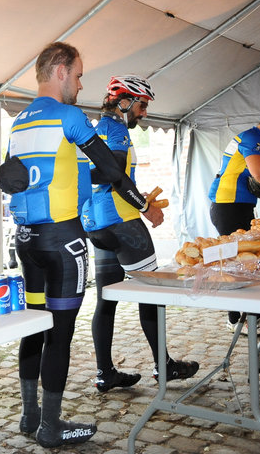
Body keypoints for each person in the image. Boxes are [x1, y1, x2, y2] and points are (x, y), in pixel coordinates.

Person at [0, 42, 160, 448]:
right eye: (79, 74)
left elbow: (9, 177)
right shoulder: (70, 117)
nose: (81, 83)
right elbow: (110, 169)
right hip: (62, 241)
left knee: (35, 327)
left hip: (25, 240)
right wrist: (144, 206)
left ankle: (29, 416)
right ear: (59, 71)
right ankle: (51, 427)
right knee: (60, 335)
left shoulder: (19, 122)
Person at [81, 75, 199, 393]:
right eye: (142, 105)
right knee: (152, 293)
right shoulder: (116, 128)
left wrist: (136, 195)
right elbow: (115, 175)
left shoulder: (94, 129)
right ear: (123, 102)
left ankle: (105, 372)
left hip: (96, 222)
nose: (144, 113)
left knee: (106, 300)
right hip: (122, 221)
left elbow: (100, 177)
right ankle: (165, 366)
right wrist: (145, 205)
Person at [208, 105, 260, 327]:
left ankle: (250, 315)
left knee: (247, 259)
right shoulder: (250, 137)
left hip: (240, 204)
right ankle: (237, 318)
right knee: (234, 260)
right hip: (227, 204)